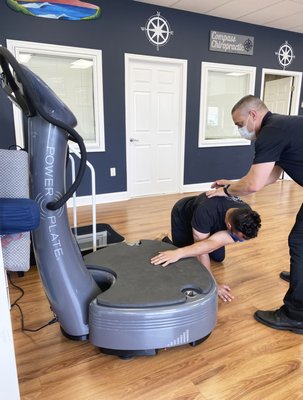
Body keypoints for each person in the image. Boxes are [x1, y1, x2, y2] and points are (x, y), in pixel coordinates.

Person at [206, 94, 303, 334]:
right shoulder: (283, 125)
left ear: (253, 115)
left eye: (240, 124)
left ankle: (295, 315)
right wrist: (232, 183)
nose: (241, 130)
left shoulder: (270, 133)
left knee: (299, 243)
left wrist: (226, 191)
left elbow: (254, 185)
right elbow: (270, 175)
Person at [150, 192, 261, 302]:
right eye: (240, 238)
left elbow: (211, 244)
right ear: (229, 226)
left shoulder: (247, 214)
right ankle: (164, 239)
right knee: (187, 259)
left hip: (210, 222)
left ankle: (201, 236)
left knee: (218, 258)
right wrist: (214, 285)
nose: (240, 241)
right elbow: (203, 250)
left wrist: (209, 246)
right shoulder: (206, 211)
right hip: (185, 216)